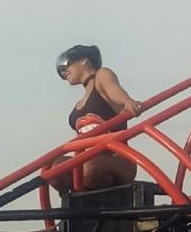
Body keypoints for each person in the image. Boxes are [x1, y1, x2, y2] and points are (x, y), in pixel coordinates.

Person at [52, 44, 141, 191]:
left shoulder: (101, 76)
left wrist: (127, 101)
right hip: (88, 159)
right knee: (55, 169)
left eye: (66, 64)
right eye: (60, 70)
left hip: (116, 159)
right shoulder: (79, 104)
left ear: (84, 60)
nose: (63, 71)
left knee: (89, 169)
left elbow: (113, 89)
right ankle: (79, 205)